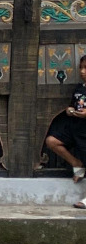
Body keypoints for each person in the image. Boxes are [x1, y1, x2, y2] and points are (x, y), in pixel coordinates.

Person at [44, 54, 86, 197]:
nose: (82, 71)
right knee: (52, 141)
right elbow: (73, 105)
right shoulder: (79, 88)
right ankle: (76, 163)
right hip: (74, 127)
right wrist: (70, 110)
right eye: (81, 68)